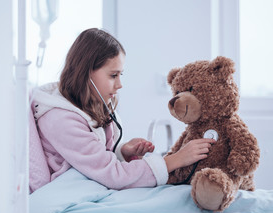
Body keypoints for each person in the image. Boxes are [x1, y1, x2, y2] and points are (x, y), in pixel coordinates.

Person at [32, 28, 215, 190]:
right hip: (69, 190)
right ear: (85, 72)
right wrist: (175, 160)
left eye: (121, 74)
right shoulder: (60, 120)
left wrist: (122, 151)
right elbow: (112, 175)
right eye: (113, 75)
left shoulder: (94, 105)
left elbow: (97, 158)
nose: (119, 84)